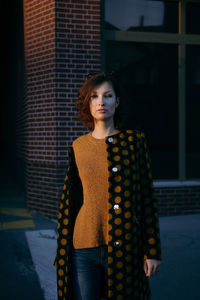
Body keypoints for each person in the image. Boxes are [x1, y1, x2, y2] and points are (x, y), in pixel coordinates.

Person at [54, 72, 162, 300]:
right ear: (88, 103)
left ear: (117, 101)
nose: (101, 102)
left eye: (107, 95)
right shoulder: (78, 146)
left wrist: (152, 251)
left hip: (125, 246)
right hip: (83, 246)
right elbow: (71, 200)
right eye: (94, 96)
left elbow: (147, 199)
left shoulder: (134, 142)